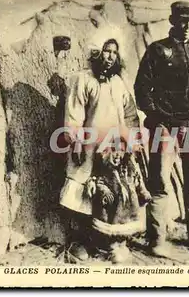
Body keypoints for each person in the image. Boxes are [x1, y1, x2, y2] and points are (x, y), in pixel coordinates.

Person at [134, 1, 189, 257]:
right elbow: (141, 90)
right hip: (167, 128)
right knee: (159, 184)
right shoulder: (158, 50)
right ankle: (157, 241)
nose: (187, 26)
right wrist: (158, 117)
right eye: (183, 21)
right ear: (173, 21)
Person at [58, 26, 143, 262]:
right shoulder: (81, 79)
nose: (110, 56)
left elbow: (129, 115)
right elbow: (73, 114)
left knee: (113, 195)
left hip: (112, 151)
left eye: (114, 53)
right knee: (84, 195)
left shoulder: (118, 83)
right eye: (106, 51)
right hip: (87, 148)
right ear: (97, 52)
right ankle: (78, 242)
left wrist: (132, 141)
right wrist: (74, 142)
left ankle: (110, 244)